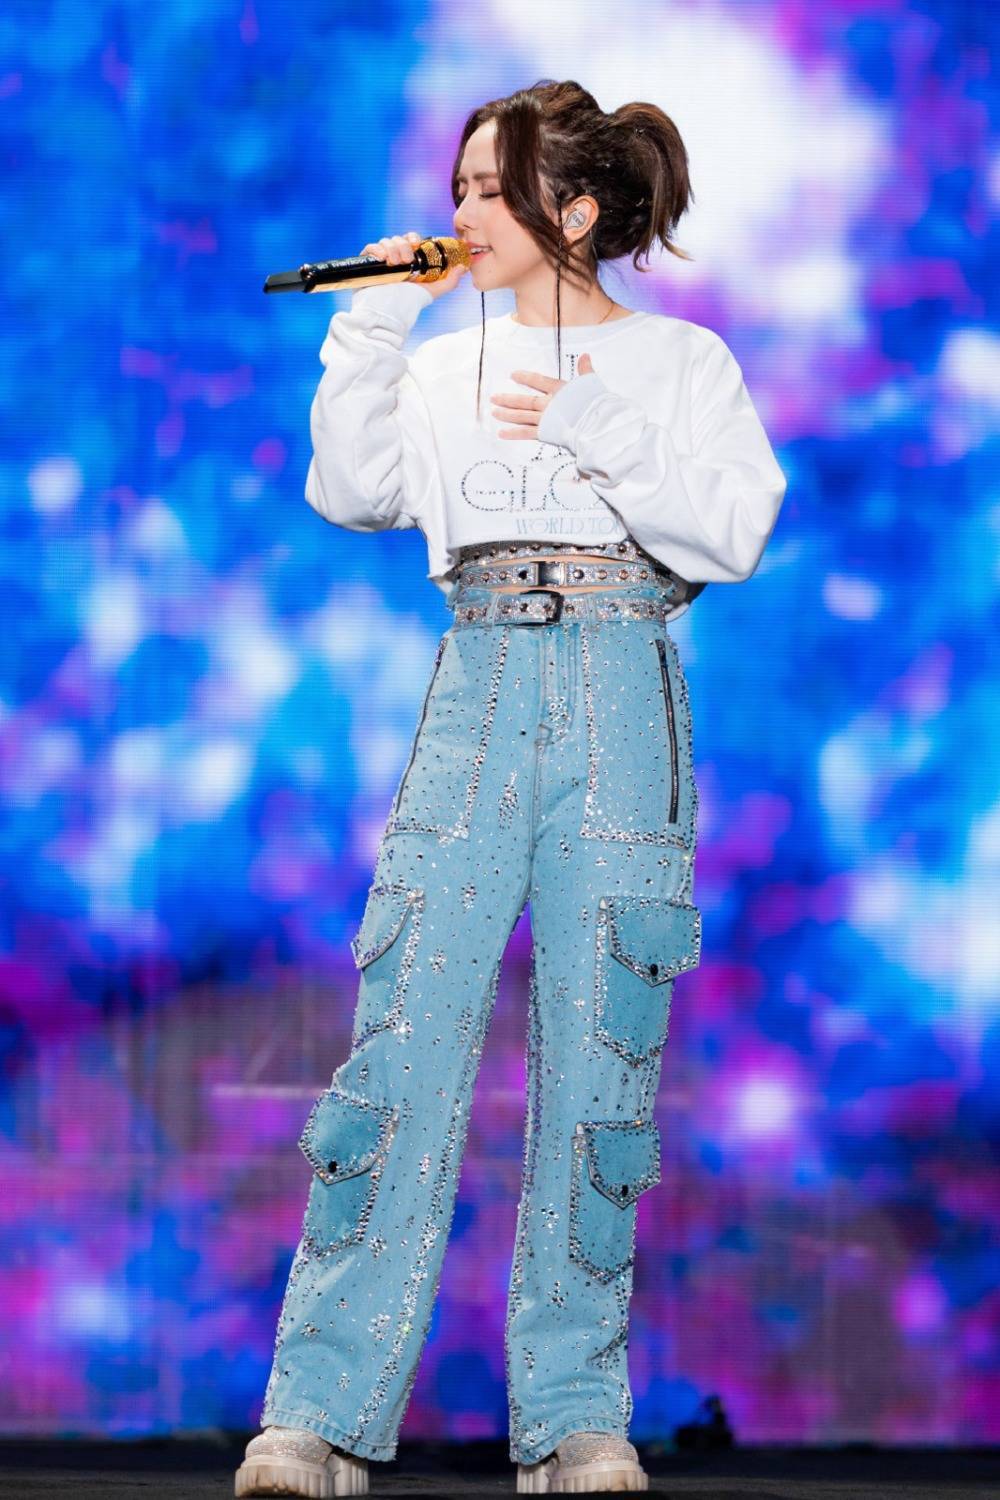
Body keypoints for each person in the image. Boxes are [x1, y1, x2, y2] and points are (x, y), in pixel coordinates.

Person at [235, 79, 787, 1499]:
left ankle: (575, 1416)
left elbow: (733, 534)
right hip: (478, 684)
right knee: (402, 1042)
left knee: (605, 1053)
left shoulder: (681, 361)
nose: (464, 213)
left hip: (622, 691)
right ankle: (317, 1414)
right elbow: (351, 491)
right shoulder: (436, 362)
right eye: (461, 188)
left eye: (492, 188)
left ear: (576, 211)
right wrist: (371, 323)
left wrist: (599, 430)